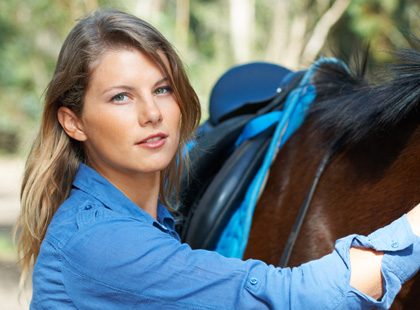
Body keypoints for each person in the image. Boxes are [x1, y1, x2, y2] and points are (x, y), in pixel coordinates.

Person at [15, 8, 420, 309]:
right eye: (120, 96)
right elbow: (294, 297)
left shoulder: (137, 220)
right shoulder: (101, 241)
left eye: (162, 89)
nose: (151, 114)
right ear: (74, 122)